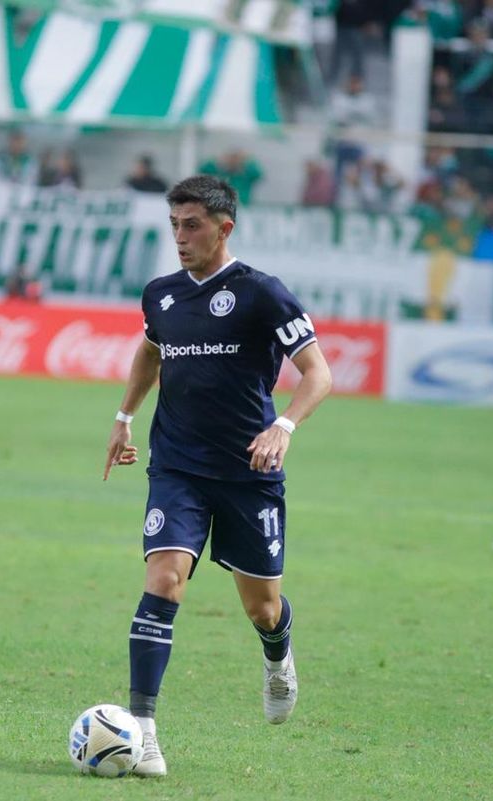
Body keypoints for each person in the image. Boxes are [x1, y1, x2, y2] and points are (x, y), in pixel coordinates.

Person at [102, 175, 333, 777]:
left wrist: (283, 427)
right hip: (176, 465)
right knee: (165, 577)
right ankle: (144, 732)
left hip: (248, 472)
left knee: (261, 608)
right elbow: (151, 349)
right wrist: (125, 416)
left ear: (224, 228)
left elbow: (318, 374)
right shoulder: (161, 294)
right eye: (174, 225)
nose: (180, 237)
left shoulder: (262, 294)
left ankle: (279, 654)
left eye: (192, 225)